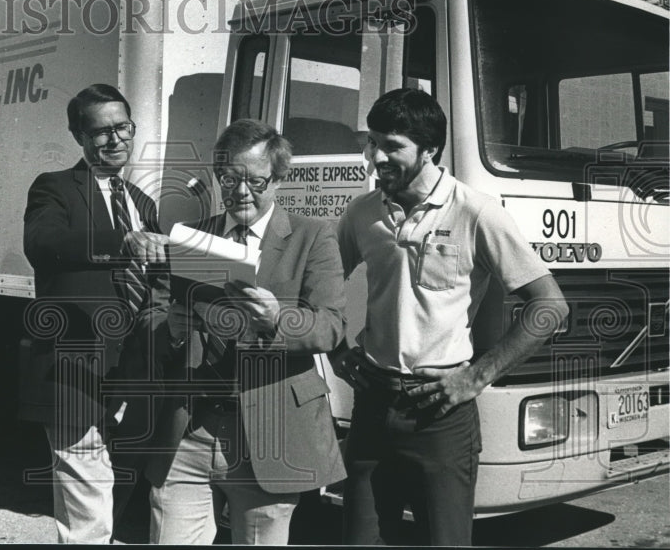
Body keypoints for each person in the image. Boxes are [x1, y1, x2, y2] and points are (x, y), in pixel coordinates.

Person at [333, 88, 569, 546]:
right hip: (373, 404)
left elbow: (549, 306)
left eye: (392, 146)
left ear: (431, 149)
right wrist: (338, 351)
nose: (376, 156)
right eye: (373, 142)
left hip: (440, 413)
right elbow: (318, 285)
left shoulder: (476, 212)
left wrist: (476, 377)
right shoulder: (362, 213)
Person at [146, 118, 346, 545]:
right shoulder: (191, 237)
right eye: (230, 179)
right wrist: (173, 329)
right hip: (189, 432)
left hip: (270, 435)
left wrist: (279, 318)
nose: (241, 192)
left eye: (255, 181)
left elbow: (331, 326)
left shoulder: (312, 237)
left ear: (278, 181)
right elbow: (152, 320)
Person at [22, 83, 169, 544]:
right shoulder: (55, 188)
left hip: (133, 371)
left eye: (122, 127)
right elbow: (42, 244)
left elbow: (157, 283)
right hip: (76, 367)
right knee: (87, 497)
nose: (115, 140)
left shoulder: (143, 204)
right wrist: (119, 244)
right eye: (101, 132)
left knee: (113, 487)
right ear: (78, 137)